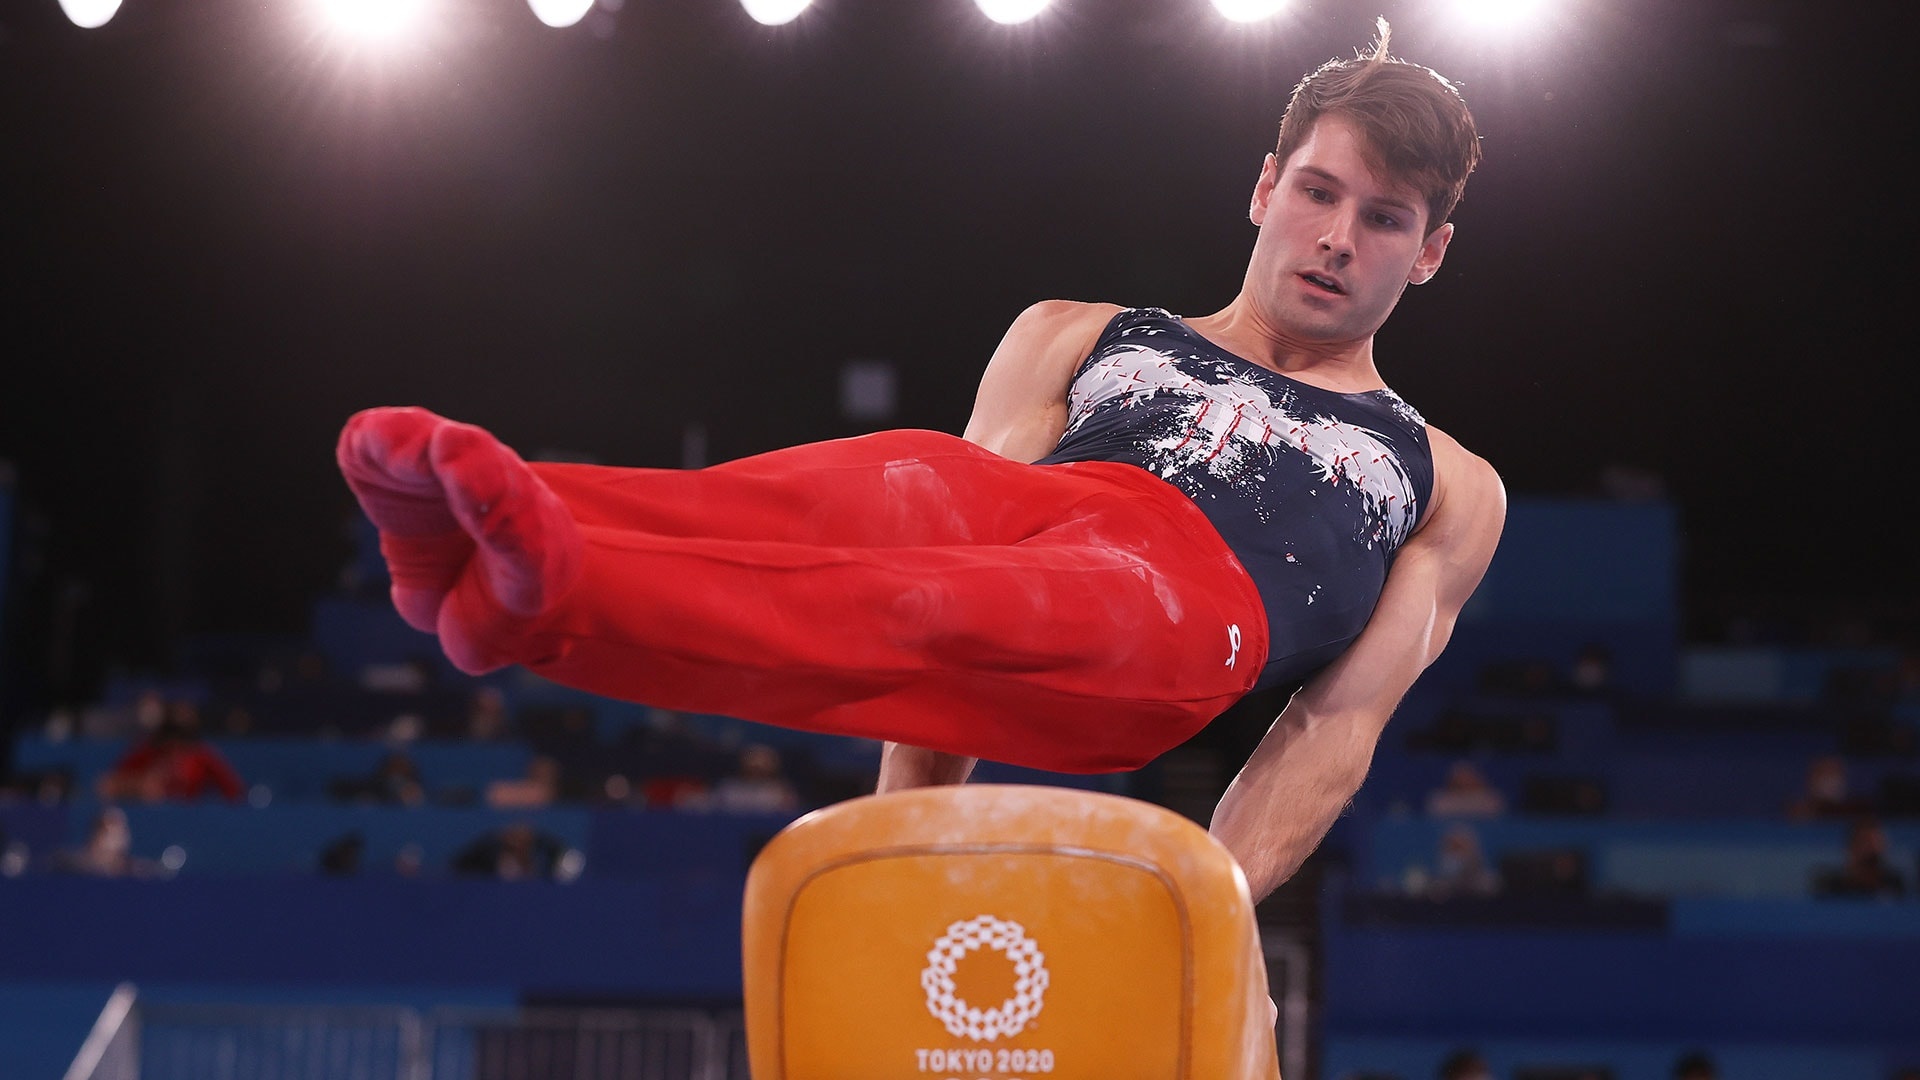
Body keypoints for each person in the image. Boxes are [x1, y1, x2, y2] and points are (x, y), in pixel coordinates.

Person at [333, 19, 1502, 909]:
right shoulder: (1076, 331)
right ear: (1265, 187)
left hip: (1177, 615)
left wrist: (1209, 904)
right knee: (901, 486)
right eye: (1318, 191)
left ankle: (552, 596)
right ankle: (508, 550)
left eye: (1387, 218)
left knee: (935, 599)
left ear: (1435, 252)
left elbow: (1333, 733)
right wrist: (898, 857)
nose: (1340, 238)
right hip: (1047, 519)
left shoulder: (1440, 480)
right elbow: (944, 635)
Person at [96, 701, 245, 804]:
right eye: (171, 734)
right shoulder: (147, 752)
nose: (176, 747)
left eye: (184, 737)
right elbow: (105, 785)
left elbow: (235, 793)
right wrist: (138, 786)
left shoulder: (203, 757)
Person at [1812, 816, 1908, 899]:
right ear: (1851, 847)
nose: (1873, 849)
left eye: (1877, 842)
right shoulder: (1831, 888)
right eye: (1866, 842)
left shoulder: (1894, 885)